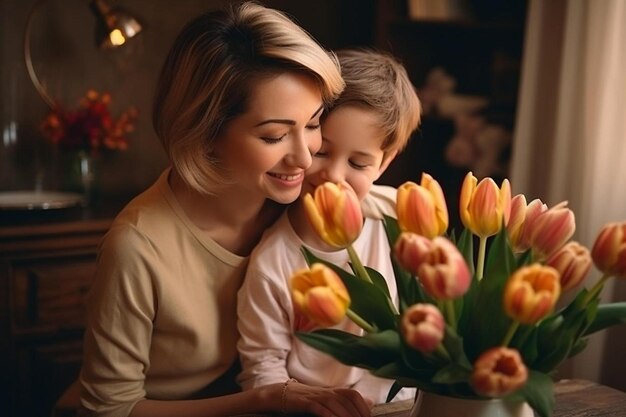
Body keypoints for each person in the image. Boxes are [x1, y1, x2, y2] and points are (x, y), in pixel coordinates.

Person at [78, 3, 374, 417]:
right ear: (206, 133)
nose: (305, 159)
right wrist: (268, 398)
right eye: (274, 136)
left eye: (313, 125)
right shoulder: (138, 247)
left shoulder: (302, 196)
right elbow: (107, 410)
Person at [237, 48, 422, 405]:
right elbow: (262, 366)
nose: (334, 176)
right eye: (322, 151)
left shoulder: (400, 223)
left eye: (358, 162)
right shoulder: (273, 262)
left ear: (384, 165)